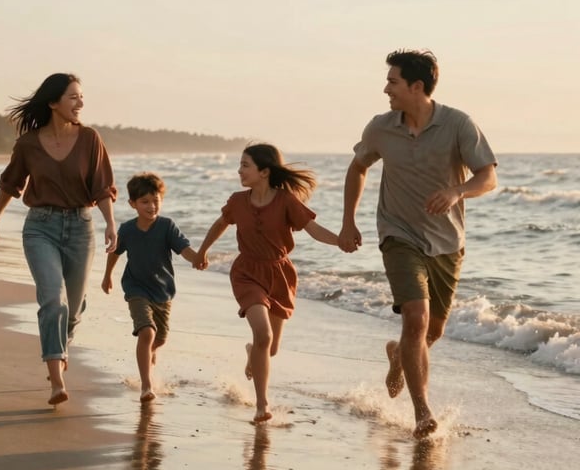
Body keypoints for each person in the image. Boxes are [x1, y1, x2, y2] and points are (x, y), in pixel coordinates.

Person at [338, 49, 497, 439]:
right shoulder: (381, 128)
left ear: (417, 86)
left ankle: (398, 356)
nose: (386, 89)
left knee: (432, 332)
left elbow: (488, 177)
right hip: (397, 234)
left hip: (446, 242)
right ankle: (423, 412)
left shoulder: (458, 124)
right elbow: (358, 167)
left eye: (393, 82)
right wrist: (348, 221)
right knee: (416, 318)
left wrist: (458, 192)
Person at [0, 73, 117, 408]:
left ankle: (61, 343)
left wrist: (110, 224)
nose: (80, 103)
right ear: (54, 102)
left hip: (81, 228)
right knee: (52, 300)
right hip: (40, 227)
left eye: (81, 97)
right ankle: (56, 378)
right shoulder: (28, 144)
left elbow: (102, 187)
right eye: (73, 97)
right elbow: (10, 184)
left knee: (73, 306)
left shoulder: (90, 139)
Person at [194, 144, 339, 424]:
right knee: (264, 335)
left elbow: (313, 229)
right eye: (240, 165)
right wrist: (202, 251)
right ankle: (262, 405)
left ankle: (252, 352)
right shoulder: (238, 201)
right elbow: (220, 224)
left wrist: (340, 241)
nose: (240, 170)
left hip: (280, 275)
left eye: (245, 165)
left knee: (268, 348)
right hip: (247, 272)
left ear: (264, 172)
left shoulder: (286, 201)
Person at [101, 172, 199, 402]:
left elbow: (184, 248)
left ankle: (149, 355)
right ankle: (147, 385)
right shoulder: (127, 229)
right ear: (132, 204)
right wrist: (107, 276)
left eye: (156, 200)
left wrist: (197, 258)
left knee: (160, 339)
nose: (152, 206)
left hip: (162, 291)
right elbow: (115, 252)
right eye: (145, 201)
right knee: (147, 331)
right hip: (136, 288)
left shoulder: (166, 227)